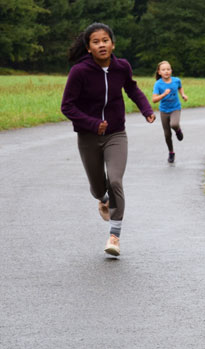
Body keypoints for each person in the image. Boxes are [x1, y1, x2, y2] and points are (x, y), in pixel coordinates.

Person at [61, 22, 155, 257]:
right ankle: (103, 199)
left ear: (113, 44)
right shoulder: (79, 72)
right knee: (97, 187)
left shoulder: (122, 67)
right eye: (96, 42)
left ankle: (114, 236)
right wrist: (92, 123)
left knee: (115, 181)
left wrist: (146, 110)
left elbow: (132, 89)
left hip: (116, 134)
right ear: (88, 48)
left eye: (105, 40)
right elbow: (67, 106)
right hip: (88, 137)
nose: (101, 45)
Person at [152, 61, 188, 163]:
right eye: (163, 70)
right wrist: (164, 94)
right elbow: (154, 100)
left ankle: (178, 131)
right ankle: (171, 152)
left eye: (168, 69)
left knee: (174, 124)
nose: (166, 71)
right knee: (167, 134)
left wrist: (183, 95)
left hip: (175, 108)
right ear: (159, 72)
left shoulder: (176, 80)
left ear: (171, 70)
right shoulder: (158, 84)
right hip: (164, 111)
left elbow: (180, 87)